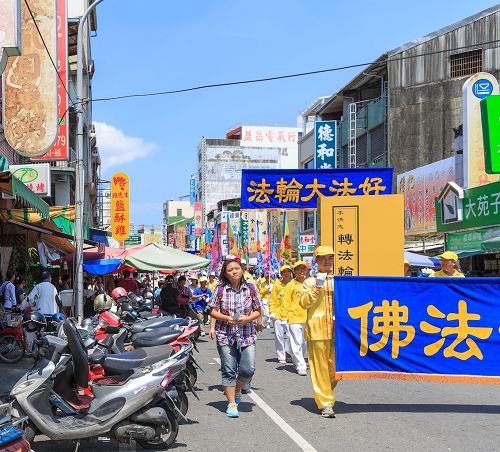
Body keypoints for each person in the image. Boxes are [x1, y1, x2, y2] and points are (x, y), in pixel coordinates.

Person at [208, 257, 262, 418]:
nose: (234, 271)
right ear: (225, 273)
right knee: (229, 370)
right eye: (230, 269)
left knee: (248, 369)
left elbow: (258, 309)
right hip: (225, 334)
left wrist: (249, 318)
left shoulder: (251, 288)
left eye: (236, 268)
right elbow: (212, 310)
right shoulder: (220, 289)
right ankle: (231, 403)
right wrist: (225, 318)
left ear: (242, 270)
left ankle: (238, 388)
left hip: (247, 334)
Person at [300, 245, 337, 418]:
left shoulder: (339, 281)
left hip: (339, 331)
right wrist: (317, 287)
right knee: (320, 368)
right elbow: (304, 303)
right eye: (323, 258)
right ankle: (325, 403)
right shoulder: (309, 282)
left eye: (330, 258)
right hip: (317, 330)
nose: (327, 261)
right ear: (316, 261)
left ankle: (324, 391)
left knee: (336, 368)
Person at [283, 261, 308, 376]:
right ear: (294, 272)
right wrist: (284, 317)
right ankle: (301, 365)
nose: (301, 271)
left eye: (303, 269)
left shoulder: (309, 283)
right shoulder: (290, 285)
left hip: (308, 317)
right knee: (297, 341)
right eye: (298, 269)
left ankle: (298, 360)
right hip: (294, 317)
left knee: (304, 343)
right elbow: (286, 301)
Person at [269, 265, 293, 364]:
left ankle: (288, 352)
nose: (286, 274)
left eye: (288, 272)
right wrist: (272, 312)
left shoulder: (293, 284)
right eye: (284, 272)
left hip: (290, 314)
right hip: (278, 314)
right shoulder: (276, 285)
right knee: (279, 336)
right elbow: (272, 300)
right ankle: (281, 356)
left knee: (291, 335)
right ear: (281, 273)